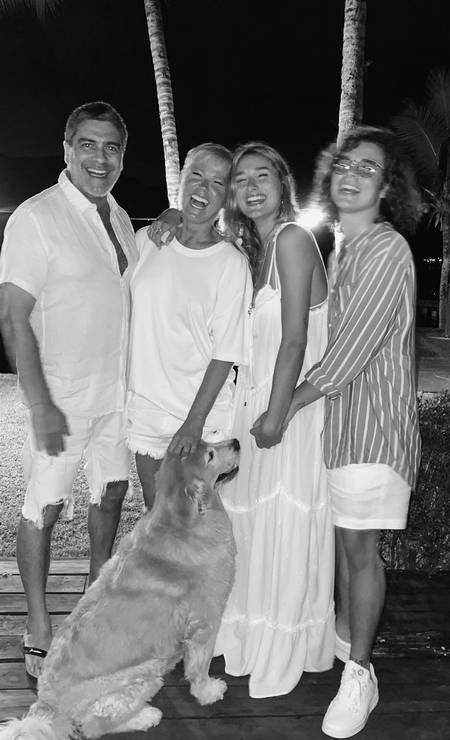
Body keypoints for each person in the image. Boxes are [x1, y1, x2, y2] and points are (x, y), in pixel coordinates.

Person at [285, 126, 422, 738]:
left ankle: (360, 675)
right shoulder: (345, 251)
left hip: (375, 432)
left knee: (361, 554)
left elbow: (350, 354)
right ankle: (347, 652)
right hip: (344, 431)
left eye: (368, 168)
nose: (352, 174)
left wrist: (283, 409)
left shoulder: (387, 249)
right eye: (345, 163)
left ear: (387, 187)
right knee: (346, 548)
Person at [0, 101, 137, 680]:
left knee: (111, 496)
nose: (99, 158)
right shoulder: (37, 217)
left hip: (119, 395)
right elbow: (13, 316)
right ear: (66, 149)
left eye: (111, 147)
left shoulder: (122, 218)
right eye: (88, 144)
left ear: (122, 156)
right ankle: (37, 622)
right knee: (45, 507)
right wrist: (39, 404)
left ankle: (93, 605)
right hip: (61, 399)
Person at [212, 141, 335, 698]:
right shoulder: (256, 251)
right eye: (240, 180)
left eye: (262, 175)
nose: (251, 187)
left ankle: (279, 646)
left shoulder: (291, 239)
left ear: (283, 184)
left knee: (282, 522)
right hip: (257, 405)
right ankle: (248, 635)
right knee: (253, 526)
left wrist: (277, 415)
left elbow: (295, 339)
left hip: (285, 413)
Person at [126, 143, 252, 507]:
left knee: (194, 524)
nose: (203, 188)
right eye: (196, 175)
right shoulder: (147, 242)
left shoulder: (230, 263)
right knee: (156, 516)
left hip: (200, 416)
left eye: (217, 182)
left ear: (227, 196)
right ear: (181, 179)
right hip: (147, 409)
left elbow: (226, 352)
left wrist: (194, 424)